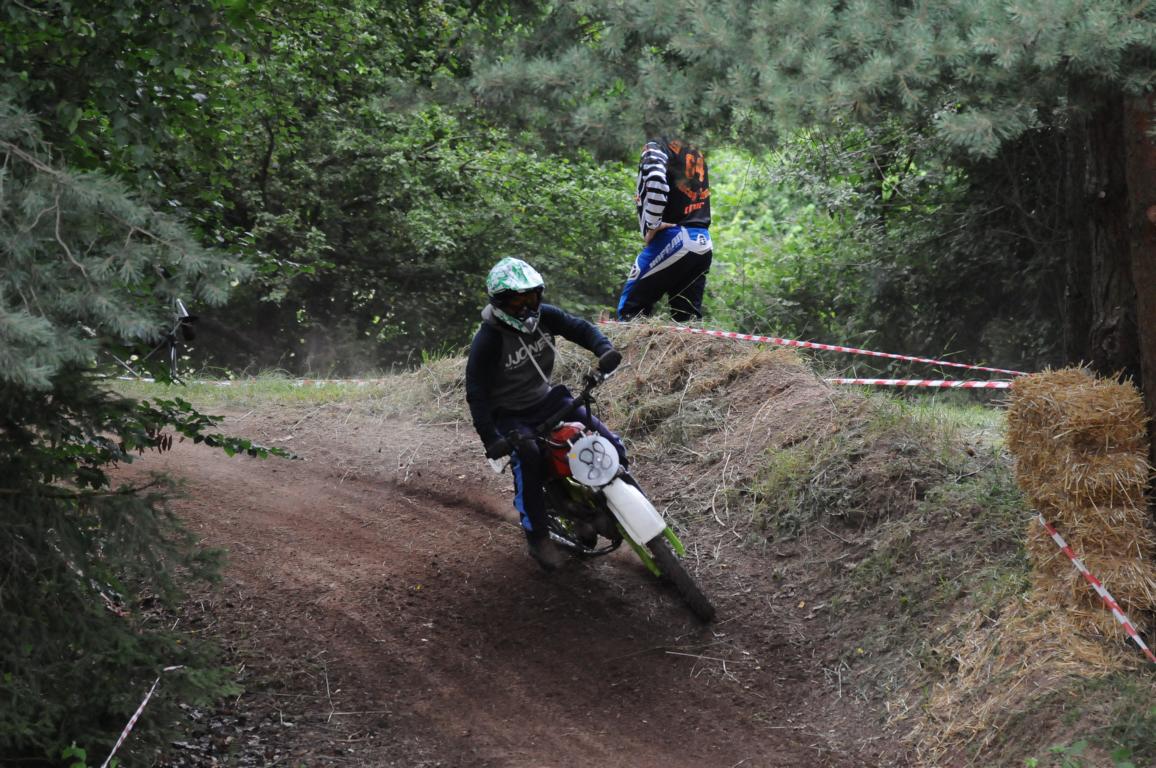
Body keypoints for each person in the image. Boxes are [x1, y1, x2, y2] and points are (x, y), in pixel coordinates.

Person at [465, 257, 624, 571]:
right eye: (516, 301)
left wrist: (604, 349)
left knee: (606, 437)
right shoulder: (488, 339)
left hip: (547, 399)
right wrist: (491, 438)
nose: (526, 307)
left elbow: (579, 328)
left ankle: (619, 497)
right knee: (529, 458)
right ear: (499, 303)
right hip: (510, 415)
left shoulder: (547, 316)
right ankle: (537, 535)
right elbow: (476, 392)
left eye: (531, 298)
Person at [617, 137, 713, 322]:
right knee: (688, 321)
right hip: (703, 242)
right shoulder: (694, 148)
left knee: (630, 311)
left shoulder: (657, 145)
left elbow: (655, 179)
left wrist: (653, 224)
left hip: (673, 237)